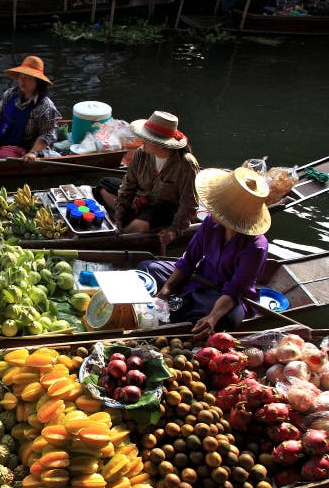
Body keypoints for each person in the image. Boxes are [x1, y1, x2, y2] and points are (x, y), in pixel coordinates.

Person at [139, 167, 271, 339]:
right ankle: (176, 300)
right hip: (199, 277)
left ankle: (183, 311)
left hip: (225, 295)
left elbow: (235, 289)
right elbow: (189, 260)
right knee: (147, 268)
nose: (210, 210)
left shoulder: (256, 246)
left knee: (220, 318)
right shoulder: (211, 223)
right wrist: (167, 287)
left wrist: (212, 317)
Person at [97, 110, 199, 248]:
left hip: (164, 208)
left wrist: (173, 231)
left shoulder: (186, 164)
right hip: (142, 198)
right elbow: (128, 185)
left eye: (146, 139)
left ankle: (129, 232)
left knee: (140, 225)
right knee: (104, 185)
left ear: (159, 144)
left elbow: (189, 203)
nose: (142, 141)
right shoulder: (141, 153)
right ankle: (129, 221)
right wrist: (119, 217)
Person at [0, 55, 62, 163]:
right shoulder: (10, 94)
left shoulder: (45, 106)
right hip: (3, 138)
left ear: (38, 82)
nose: (22, 81)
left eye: (28, 77)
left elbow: (47, 134)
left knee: (0, 155)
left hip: (25, 148)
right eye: (21, 76)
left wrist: (33, 152)